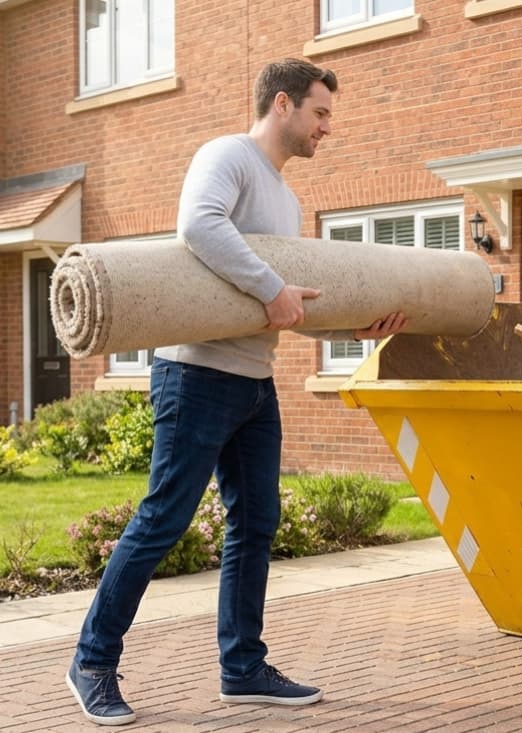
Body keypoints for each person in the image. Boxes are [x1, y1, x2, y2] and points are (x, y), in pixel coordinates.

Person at [65, 58, 407, 726]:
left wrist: (355, 326)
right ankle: (91, 660)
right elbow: (199, 225)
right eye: (320, 112)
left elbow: (284, 299)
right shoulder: (226, 156)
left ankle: (242, 667)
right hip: (194, 373)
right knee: (164, 518)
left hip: (253, 380)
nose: (327, 128)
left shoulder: (286, 197)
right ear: (283, 104)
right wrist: (273, 289)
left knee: (256, 523)